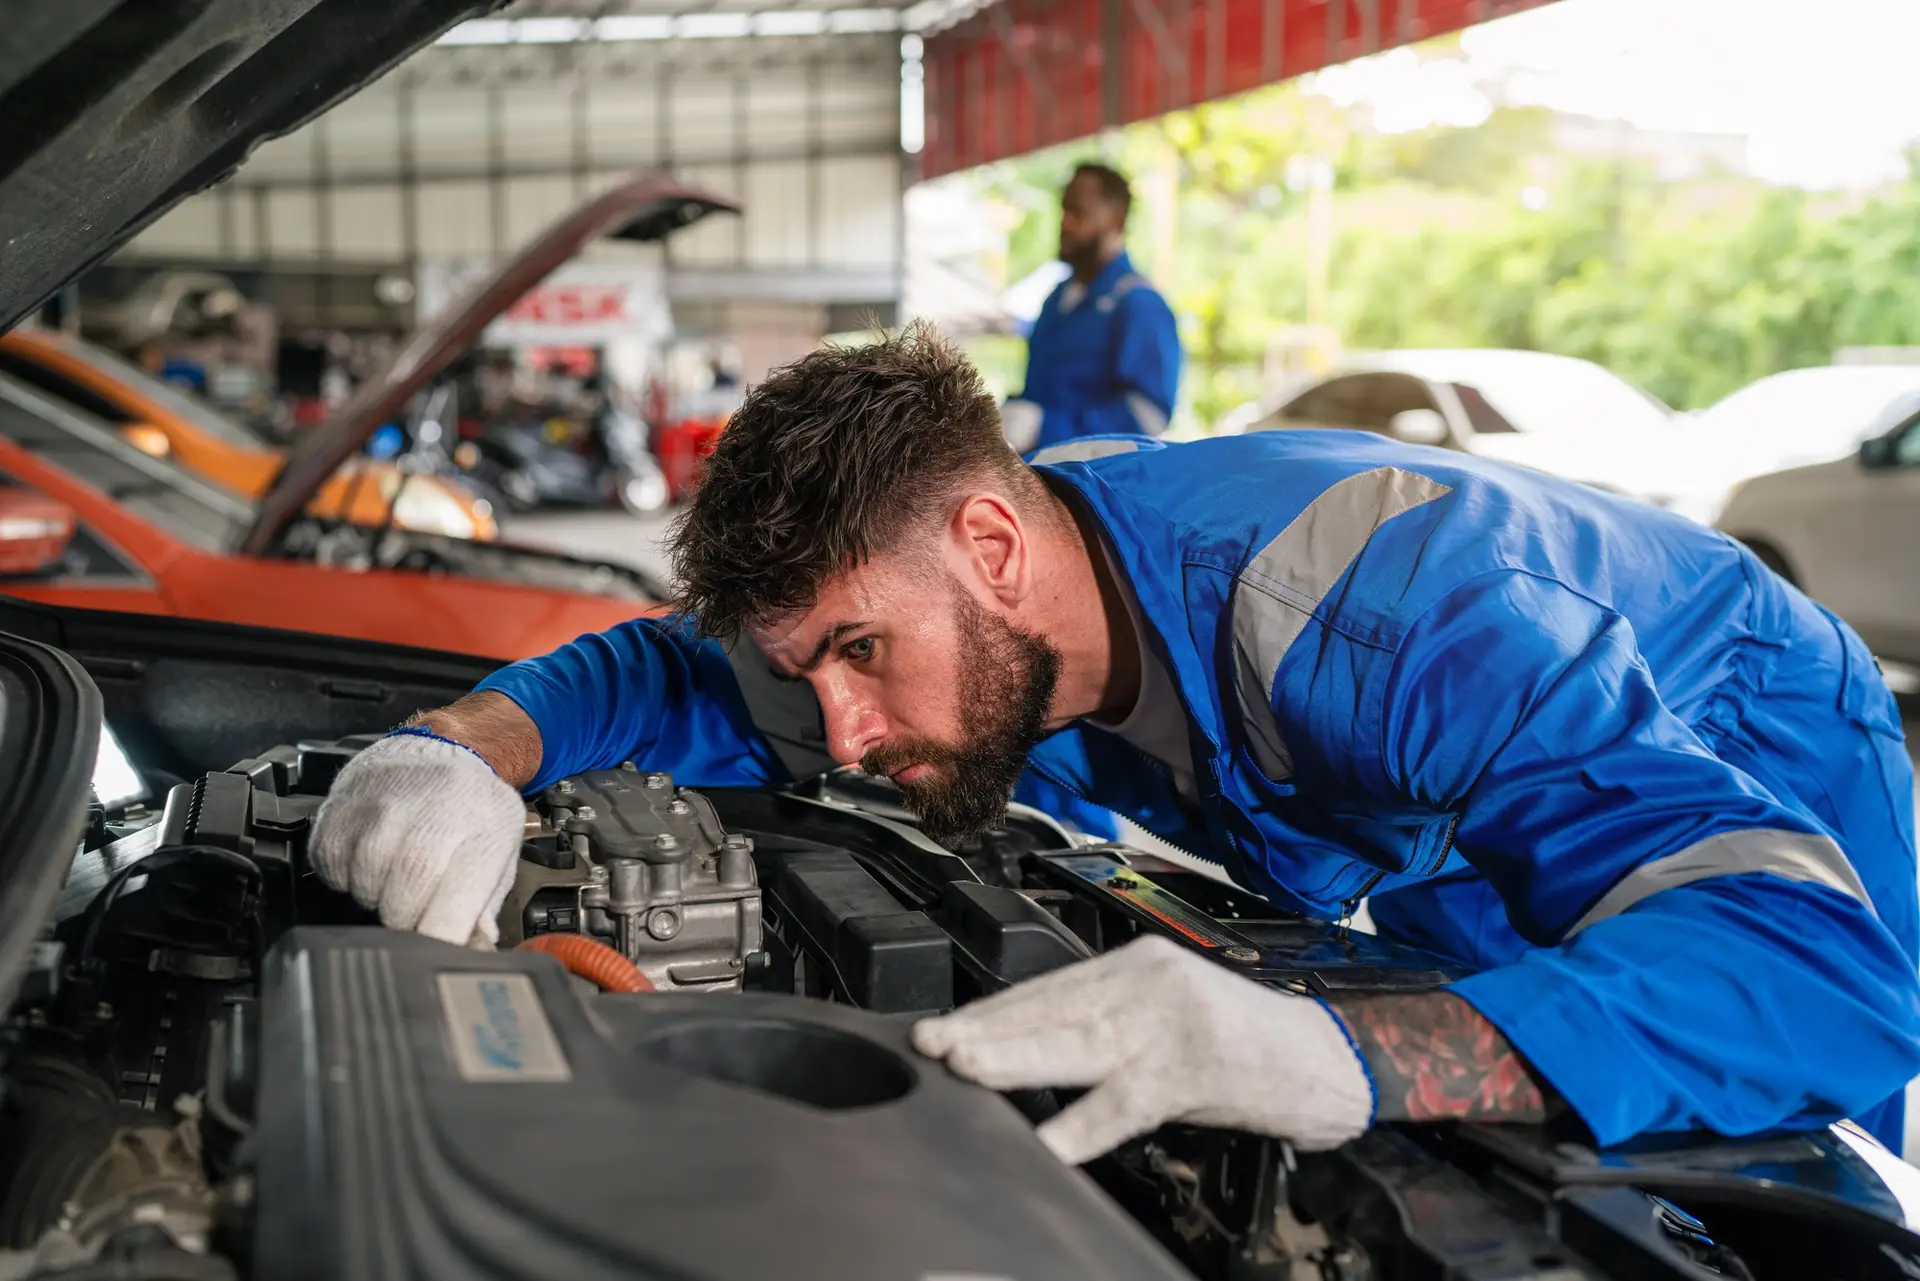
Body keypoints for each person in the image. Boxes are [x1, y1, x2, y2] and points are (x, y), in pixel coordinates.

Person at [312, 326, 1920, 1166]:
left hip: (1745, 744)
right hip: (1443, 819)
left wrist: (1337, 1056)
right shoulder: (995, 613)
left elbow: (1817, 971)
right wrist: (462, 748)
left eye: (862, 656)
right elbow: (669, 677)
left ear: (996, 549)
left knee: (1792, 1145)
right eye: (816, 672)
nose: (844, 735)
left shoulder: (1396, 612)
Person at [999, 163, 1181, 456]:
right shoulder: (1057, 299)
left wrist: (1045, 427)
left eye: (1078, 212)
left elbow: (1149, 417)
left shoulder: (1138, 304)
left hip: (1095, 490)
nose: (1065, 223)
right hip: (1039, 474)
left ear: (1117, 221)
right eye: (1064, 210)